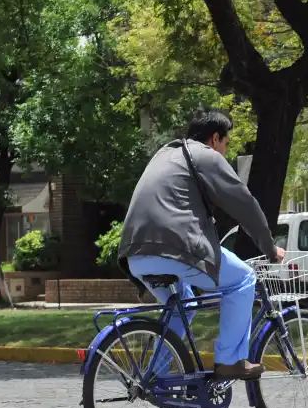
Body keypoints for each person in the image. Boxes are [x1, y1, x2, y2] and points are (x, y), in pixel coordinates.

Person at [119, 108, 284, 380]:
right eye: (226, 143)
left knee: (184, 303)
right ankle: (230, 361)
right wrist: (269, 248)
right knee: (244, 278)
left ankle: (155, 378)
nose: (225, 152)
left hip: (135, 256)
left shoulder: (166, 153)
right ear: (215, 138)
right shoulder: (205, 155)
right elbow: (244, 204)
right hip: (173, 249)